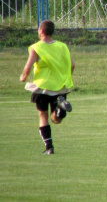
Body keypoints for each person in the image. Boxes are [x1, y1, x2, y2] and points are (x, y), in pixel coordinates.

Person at [20, 20, 75, 154]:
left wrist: (23, 77)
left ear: (42, 31)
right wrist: (66, 77)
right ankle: (60, 109)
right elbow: (72, 64)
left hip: (43, 87)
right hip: (60, 87)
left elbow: (28, 67)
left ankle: (49, 147)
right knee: (56, 119)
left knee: (43, 116)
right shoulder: (62, 46)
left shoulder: (36, 47)